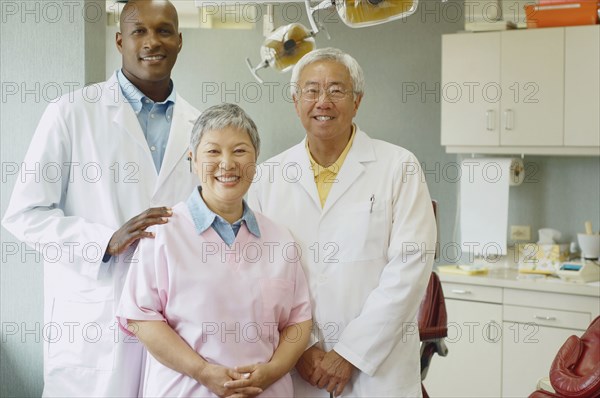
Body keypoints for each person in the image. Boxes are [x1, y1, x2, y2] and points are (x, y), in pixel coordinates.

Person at [1, 1, 199, 396]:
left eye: (163, 31)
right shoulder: (71, 112)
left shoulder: (200, 124)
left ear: (179, 41)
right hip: (95, 321)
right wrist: (104, 241)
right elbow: (24, 213)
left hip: (176, 322)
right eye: (139, 31)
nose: (152, 41)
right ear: (120, 40)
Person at [248, 47, 437, 397]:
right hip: (299, 368)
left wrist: (351, 354)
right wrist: (301, 351)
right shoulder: (266, 177)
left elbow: (410, 270)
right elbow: (259, 278)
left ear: (357, 101)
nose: (323, 101)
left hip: (379, 370)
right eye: (311, 90)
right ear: (295, 101)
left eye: (336, 90)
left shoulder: (398, 166)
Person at [116, 103, 313, 398]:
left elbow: (299, 321)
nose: (227, 163)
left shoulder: (280, 238)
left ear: (255, 159)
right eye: (213, 151)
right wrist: (203, 372)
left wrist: (272, 371)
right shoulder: (163, 232)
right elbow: (141, 317)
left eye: (239, 151)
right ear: (193, 160)